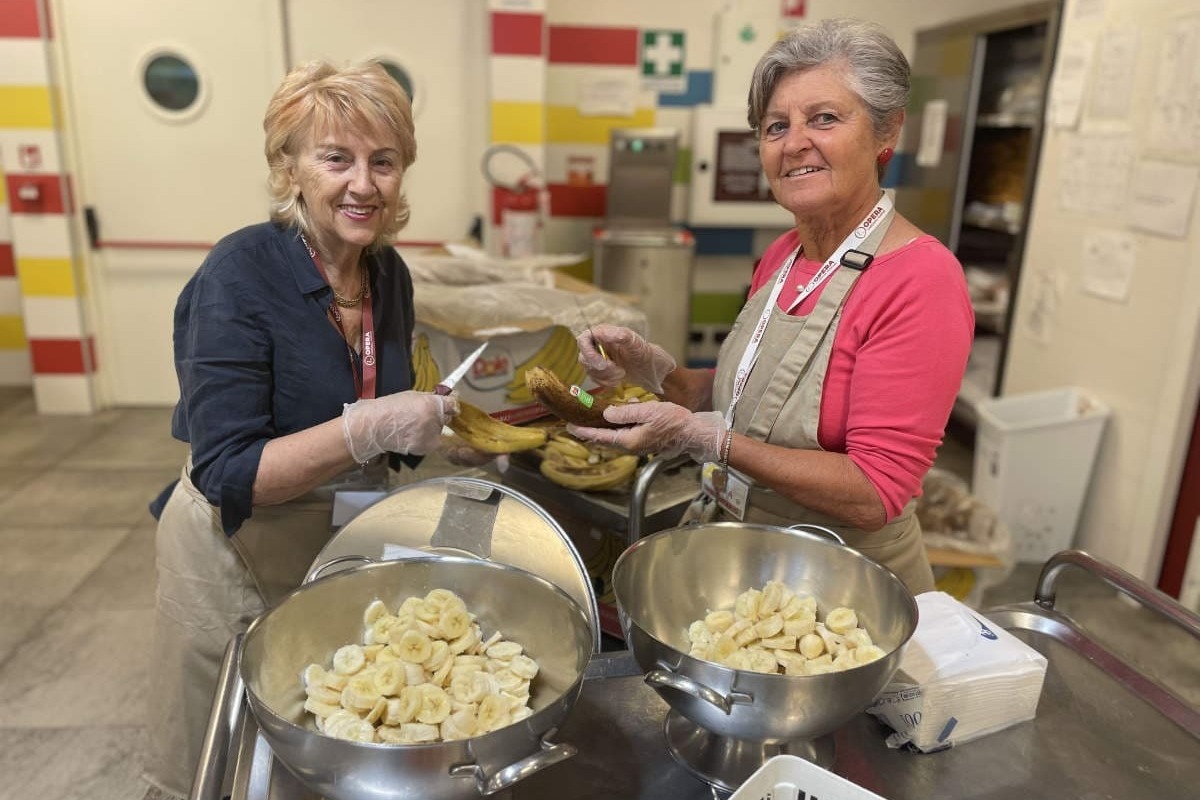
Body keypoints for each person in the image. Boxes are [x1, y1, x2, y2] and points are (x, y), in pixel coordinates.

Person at [142, 60, 458, 798]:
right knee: (218, 757)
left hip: (332, 538)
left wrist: (428, 425)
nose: (363, 184)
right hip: (232, 550)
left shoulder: (387, 274)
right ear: (290, 168)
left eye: (384, 162)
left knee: (315, 739)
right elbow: (229, 470)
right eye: (336, 158)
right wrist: (369, 426)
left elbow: (381, 402)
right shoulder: (238, 274)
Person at [569, 19, 973, 595]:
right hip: (747, 554)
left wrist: (711, 442)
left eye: (824, 118)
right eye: (776, 126)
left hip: (844, 590)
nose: (794, 142)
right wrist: (657, 373)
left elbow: (874, 491)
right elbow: (750, 403)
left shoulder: (920, 279)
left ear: (886, 131)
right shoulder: (784, 254)